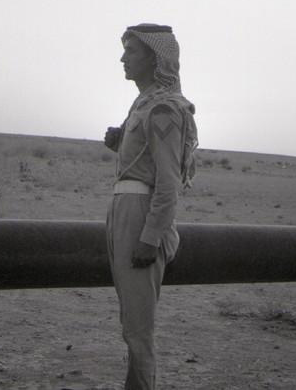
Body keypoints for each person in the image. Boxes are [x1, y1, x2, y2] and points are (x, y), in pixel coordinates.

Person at [103, 24, 197, 389]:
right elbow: (147, 161)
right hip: (124, 209)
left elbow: (169, 182)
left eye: (131, 51)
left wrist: (151, 237)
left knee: (138, 330)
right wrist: (120, 143)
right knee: (131, 323)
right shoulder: (143, 104)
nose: (123, 58)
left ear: (155, 58)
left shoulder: (162, 109)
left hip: (140, 216)